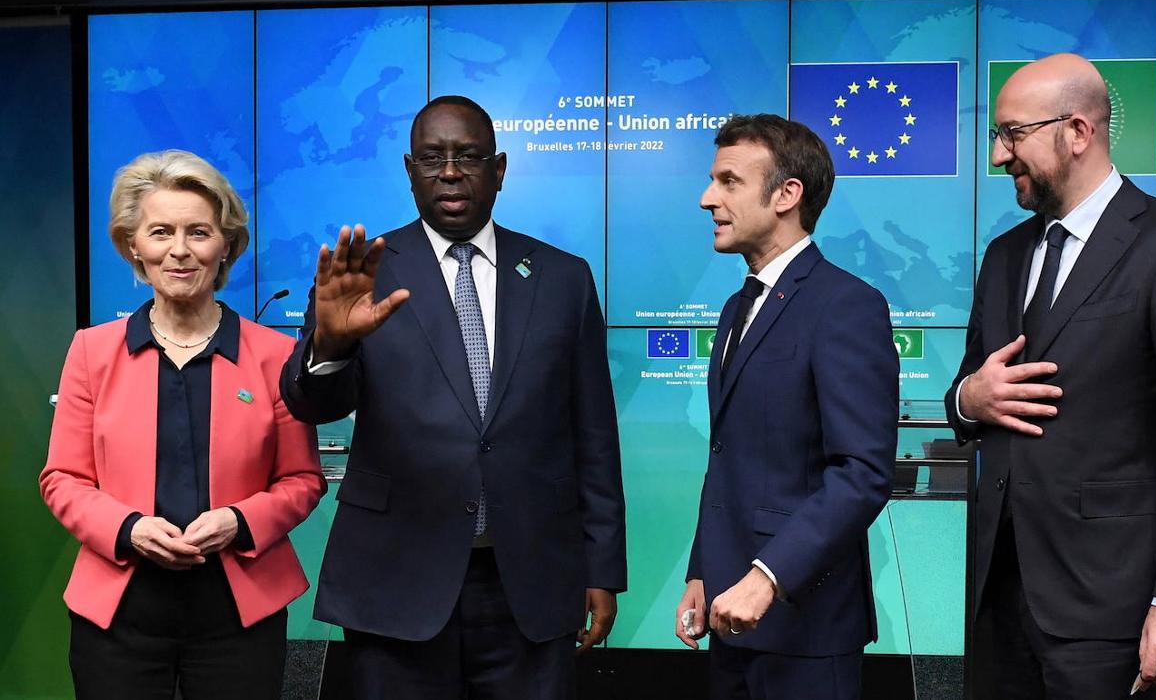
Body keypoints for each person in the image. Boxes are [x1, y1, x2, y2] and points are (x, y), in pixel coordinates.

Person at [279, 95, 627, 698]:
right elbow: (315, 405)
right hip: (397, 579)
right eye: (433, 158)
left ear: (499, 170)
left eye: (468, 156)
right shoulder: (362, 272)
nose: (450, 171)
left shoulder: (562, 278)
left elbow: (593, 433)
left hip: (531, 579)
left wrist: (601, 567)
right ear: (409, 170)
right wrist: (331, 343)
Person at [946, 53, 1156, 698]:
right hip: (999, 601)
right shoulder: (1003, 255)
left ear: (1077, 132)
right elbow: (969, 386)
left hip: (1116, 610)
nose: (999, 156)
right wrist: (969, 399)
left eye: (1013, 134)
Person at [40, 150, 326, 699]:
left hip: (239, 611)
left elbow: (302, 480)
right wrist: (128, 529)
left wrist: (239, 521)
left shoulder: (273, 355)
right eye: (160, 232)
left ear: (225, 246)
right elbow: (62, 480)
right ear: (133, 246)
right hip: (119, 611)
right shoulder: (91, 352)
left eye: (199, 232)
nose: (179, 250)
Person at [675, 114, 899, 699]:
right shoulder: (734, 308)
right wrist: (703, 570)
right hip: (729, 618)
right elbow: (728, 457)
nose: (707, 199)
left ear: (786, 195)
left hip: (806, 628)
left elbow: (862, 474)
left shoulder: (847, 306)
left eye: (728, 182)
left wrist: (768, 578)